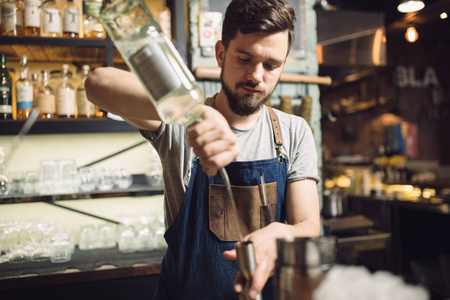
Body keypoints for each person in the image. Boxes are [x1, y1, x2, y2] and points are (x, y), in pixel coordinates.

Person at [85, 0, 320, 298]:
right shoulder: (179, 122)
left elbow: (309, 226)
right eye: (245, 59)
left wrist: (286, 233)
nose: (256, 76)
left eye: (271, 65)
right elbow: (97, 84)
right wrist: (195, 112)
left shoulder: (293, 132)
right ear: (221, 53)